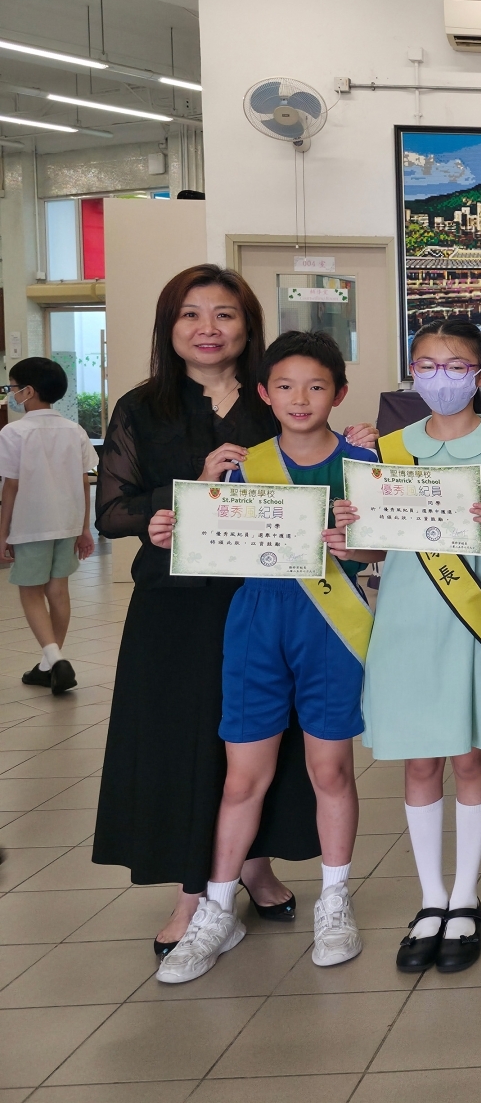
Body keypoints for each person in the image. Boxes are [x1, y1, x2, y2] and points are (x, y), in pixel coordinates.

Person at [93, 266, 323, 957]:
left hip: (266, 596)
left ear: (248, 326)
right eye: (190, 314)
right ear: (169, 327)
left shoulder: (273, 400)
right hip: (176, 608)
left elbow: (318, 472)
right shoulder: (141, 408)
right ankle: (193, 891)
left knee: (266, 740)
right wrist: (185, 492)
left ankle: (255, 865)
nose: (208, 328)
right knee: (184, 740)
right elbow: (112, 512)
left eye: (224, 314)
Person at [155, 331, 382, 984]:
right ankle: (216, 910)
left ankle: (334, 901)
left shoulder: (362, 462)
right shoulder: (240, 465)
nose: (299, 398)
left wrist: (358, 545)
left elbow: (381, 550)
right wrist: (188, 506)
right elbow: (205, 545)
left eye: (315, 386)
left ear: (339, 393)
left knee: (330, 770)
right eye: (284, 386)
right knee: (241, 778)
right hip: (255, 626)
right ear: (264, 393)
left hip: (331, 628)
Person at [355, 318, 481, 974]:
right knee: (419, 762)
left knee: (469, 756)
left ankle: (466, 897)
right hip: (403, 625)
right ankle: (431, 899)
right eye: (426, 365)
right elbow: (372, 551)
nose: (439, 378)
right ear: (411, 372)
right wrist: (349, 529)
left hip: (471, 625)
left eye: (455, 367)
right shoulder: (388, 448)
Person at [2, 357, 96, 695]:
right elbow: (84, 482)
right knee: (58, 591)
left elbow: (10, 486)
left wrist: (3, 533)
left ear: (28, 391)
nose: (11, 394)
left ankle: (55, 659)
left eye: (13, 387)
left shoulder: (13, 432)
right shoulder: (75, 430)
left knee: (30, 592)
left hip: (30, 524)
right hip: (67, 523)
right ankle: (48, 666)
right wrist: (85, 528)